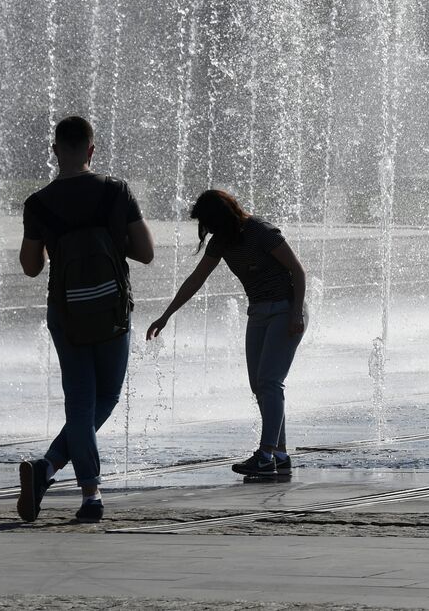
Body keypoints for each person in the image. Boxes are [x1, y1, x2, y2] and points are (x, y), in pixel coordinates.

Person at [17, 116, 155, 523]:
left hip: (66, 312)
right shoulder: (116, 191)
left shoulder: (38, 203)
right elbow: (146, 252)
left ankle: (82, 489)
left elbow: (30, 267)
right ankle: (53, 471)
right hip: (112, 310)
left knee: (79, 399)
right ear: (92, 150)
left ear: (55, 150)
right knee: (105, 397)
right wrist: (108, 240)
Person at [147, 190, 306, 479]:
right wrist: (166, 315)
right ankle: (280, 455)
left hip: (285, 309)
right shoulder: (222, 240)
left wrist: (296, 314)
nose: (207, 229)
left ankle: (265, 456)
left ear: (223, 216)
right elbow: (196, 279)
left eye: (209, 222)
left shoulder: (260, 230)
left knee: (270, 382)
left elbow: (297, 270)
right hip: (258, 312)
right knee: (260, 385)